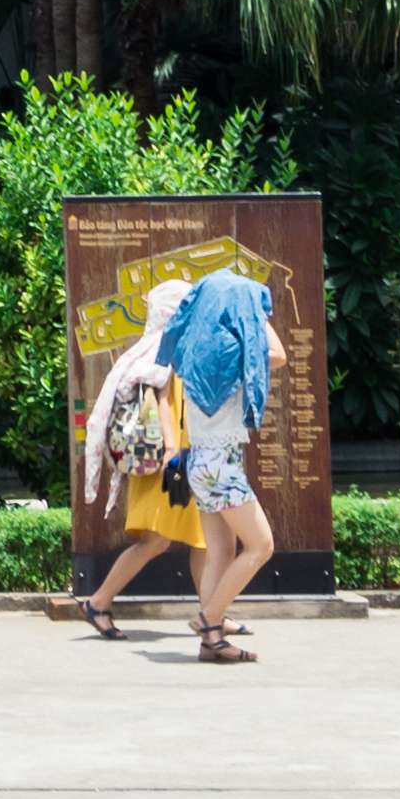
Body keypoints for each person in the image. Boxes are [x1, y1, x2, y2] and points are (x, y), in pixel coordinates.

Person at [69, 279, 203, 640]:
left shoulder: (171, 345)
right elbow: (163, 401)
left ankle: (214, 613)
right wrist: (173, 452)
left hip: (182, 455)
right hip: (168, 458)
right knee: (157, 540)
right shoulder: (163, 348)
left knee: (203, 535)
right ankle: (98, 602)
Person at [170, 271, 280, 660]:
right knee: (261, 545)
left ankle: (210, 644)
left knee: (221, 550)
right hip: (220, 464)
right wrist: (257, 318)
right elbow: (279, 355)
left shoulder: (197, 346)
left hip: (203, 459)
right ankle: (210, 619)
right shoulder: (235, 349)